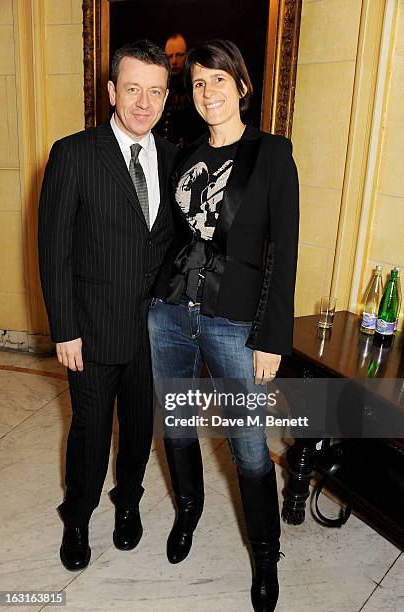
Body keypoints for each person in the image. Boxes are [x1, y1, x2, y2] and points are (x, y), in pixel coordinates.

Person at [148, 40, 299, 611]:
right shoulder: (184, 155)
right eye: (198, 83)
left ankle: (265, 555)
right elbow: (166, 235)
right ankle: (188, 512)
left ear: (241, 85)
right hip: (168, 314)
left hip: (235, 322)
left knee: (250, 448)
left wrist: (270, 336)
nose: (208, 92)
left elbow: (284, 251)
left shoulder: (272, 154)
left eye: (218, 80)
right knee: (180, 427)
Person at [38, 39, 177, 572]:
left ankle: (129, 502)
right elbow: (54, 250)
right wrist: (64, 329)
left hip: (153, 333)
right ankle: (78, 516)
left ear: (167, 97)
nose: (144, 103)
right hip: (91, 331)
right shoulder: (73, 153)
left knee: (140, 427)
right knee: (91, 431)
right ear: (113, 91)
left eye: (157, 92)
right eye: (134, 90)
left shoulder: (171, 156)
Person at [155, 32, 206, 147]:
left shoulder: (196, 86)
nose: (174, 61)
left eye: (179, 55)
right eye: (169, 56)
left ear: (187, 55)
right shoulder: (160, 85)